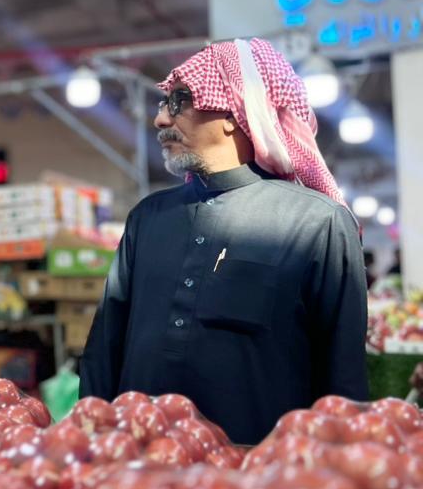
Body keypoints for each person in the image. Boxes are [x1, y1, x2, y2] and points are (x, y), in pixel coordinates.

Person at [80, 38, 368, 444]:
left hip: (260, 471)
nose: (161, 120)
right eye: (164, 103)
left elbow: (343, 383)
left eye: (179, 101)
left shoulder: (319, 223)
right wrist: (92, 447)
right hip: (141, 468)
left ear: (234, 110)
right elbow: (102, 354)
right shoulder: (147, 218)